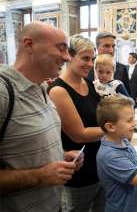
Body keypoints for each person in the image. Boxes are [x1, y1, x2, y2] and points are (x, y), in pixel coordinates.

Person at [0, 22, 83, 212]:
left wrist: (59, 157)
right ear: (29, 45)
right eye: (61, 48)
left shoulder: (42, 88)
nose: (67, 57)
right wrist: (40, 176)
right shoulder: (3, 92)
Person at [48, 34, 105, 212]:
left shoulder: (88, 83)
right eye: (85, 58)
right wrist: (112, 129)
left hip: (99, 165)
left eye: (92, 59)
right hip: (77, 171)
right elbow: (78, 134)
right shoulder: (58, 90)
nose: (90, 64)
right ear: (69, 56)